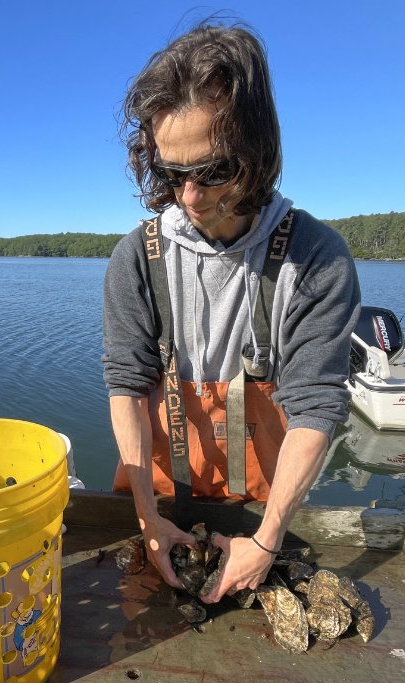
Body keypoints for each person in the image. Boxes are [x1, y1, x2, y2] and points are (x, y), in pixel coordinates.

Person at [101, 21, 361, 605]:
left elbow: (317, 404)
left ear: (256, 151)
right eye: (172, 174)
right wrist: (147, 520)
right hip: (157, 501)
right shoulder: (135, 259)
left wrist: (267, 542)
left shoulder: (316, 258)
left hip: (263, 510)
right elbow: (126, 383)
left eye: (213, 171)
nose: (190, 197)